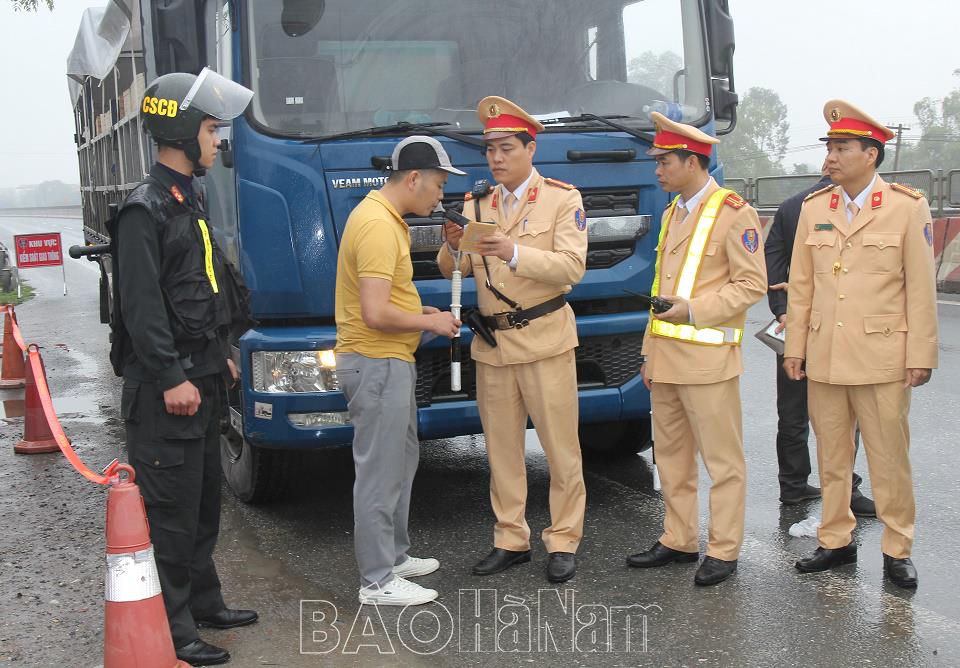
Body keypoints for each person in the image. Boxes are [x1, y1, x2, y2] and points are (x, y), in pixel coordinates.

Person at [115, 68, 258, 667]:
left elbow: (202, 287)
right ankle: (174, 629)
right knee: (171, 514)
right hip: (166, 392)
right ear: (179, 129)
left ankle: (205, 603)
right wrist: (172, 376)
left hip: (202, 381)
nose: (218, 139)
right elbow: (145, 310)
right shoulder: (142, 210)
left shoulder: (187, 198)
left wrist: (220, 354)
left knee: (202, 505)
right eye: (210, 127)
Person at [784, 100, 938, 588]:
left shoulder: (906, 207)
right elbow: (801, 284)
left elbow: (920, 289)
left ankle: (897, 548)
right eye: (829, 146)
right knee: (832, 457)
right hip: (824, 355)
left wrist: (921, 355)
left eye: (841, 147)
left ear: (870, 154)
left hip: (882, 358)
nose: (830, 156)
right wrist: (794, 347)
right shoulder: (814, 208)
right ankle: (836, 541)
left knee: (888, 458)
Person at [438, 96, 587, 583]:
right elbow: (454, 269)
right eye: (490, 150)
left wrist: (514, 251)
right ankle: (510, 538)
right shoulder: (475, 202)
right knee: (501, 450)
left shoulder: (563, 199)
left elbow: (571, 267)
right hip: (494, 344)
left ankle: (563, 539)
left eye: (506, 148)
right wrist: (450, 245)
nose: (496, 158)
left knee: (561, 449)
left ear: (529, 148)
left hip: (544, 339)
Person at [626, 112, 767, 586]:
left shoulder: (733, 212)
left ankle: (724, 549)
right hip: (665, 360)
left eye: (665, 161)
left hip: (708, 362)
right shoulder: (672, 213)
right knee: (671, 460)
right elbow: (660, 288)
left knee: (722, 462)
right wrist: (647, 352)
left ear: (692, 161)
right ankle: (678, 538)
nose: (658, 170)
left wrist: (692, 311)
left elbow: (751, 285)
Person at [335, 136, 463, 606]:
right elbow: (373, 312)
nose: (440, 197)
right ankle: (377, 580)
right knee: (380, 472)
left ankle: (393, 555)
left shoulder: (384, 218)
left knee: (401, 461)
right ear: (413, 179)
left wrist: (416, 309)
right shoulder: (376, 225)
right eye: (438, 185)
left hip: (389, 360)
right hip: (376, 361)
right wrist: (428, 320)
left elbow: (387, 300)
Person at [765, 163, 875, 516]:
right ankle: (847, 490)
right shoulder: (859, 209)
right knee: (846, 416)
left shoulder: (790, 206)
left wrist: (784, 312)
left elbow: (773, 265)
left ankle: (794, 485)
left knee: (793, 412)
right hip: (843, 329)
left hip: (792, 326)